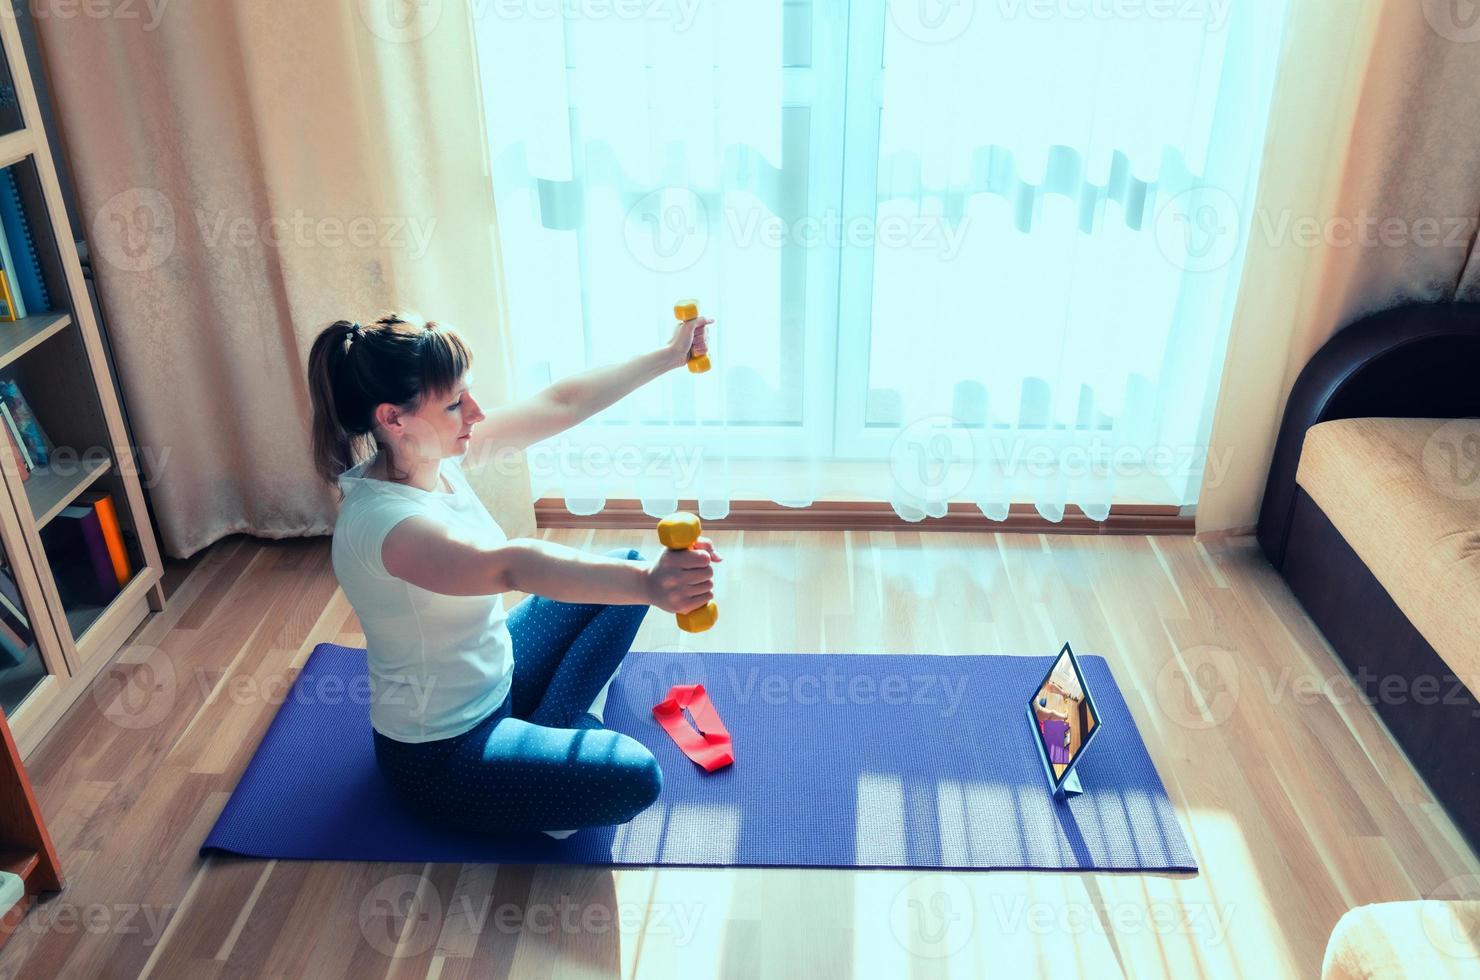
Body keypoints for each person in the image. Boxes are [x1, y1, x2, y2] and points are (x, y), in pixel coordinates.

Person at [306, 309, 717, 838]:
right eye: (456, 403)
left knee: (624, 567)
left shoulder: (432, 455)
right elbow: (510, 567)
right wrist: (652, 589)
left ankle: (544, 741)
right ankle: (542, 759)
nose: (475, 413)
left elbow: (560, 404)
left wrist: (668, 356)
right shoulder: (386, 524)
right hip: (443, 753)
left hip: (499, 675)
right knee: (634, 777)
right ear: (392, 418)